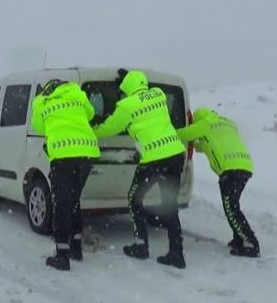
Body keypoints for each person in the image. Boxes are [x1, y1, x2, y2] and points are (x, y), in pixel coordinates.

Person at [93, 69, 188, 269]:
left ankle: (141, 245)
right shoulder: (159, 95)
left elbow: (111, 128)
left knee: (134, 199)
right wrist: (131, 79)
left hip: (154, 159)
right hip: (175, 155)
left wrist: (92, 131)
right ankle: (176, 253)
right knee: (169, 205)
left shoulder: (126, 105)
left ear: (127, 87)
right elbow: (144, 100)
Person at [31, 79, 101, 271]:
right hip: (87, 153)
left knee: (61, 203)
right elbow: (91, 114)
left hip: (63, 154)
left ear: (47, 89)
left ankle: (62, 256)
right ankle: (76, 249)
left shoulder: (41, 101)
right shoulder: (77, 94)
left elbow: (38, 126)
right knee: (74, 200)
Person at [177, 108, 259, 257]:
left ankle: (251, 244)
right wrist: (195, 145)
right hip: (244, 167)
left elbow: (183, 134)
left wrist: (164, 132)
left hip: (230, 170)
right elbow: (208, 144)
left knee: (231, 208)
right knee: (233, 206)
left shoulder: (205, 123)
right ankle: (239, 239)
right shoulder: (226, 123)